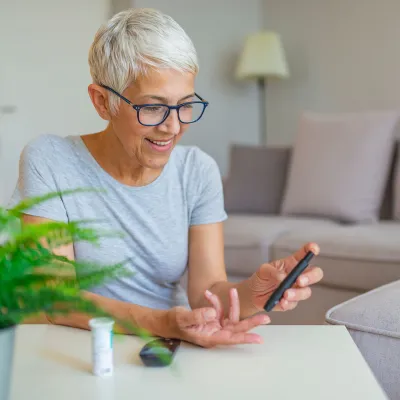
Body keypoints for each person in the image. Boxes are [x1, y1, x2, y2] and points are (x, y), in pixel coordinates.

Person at [8, 8, 323, 348]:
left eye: (185, 105)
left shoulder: (197, 171)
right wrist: (162, 322)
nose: (172, 127)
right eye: (153, 107)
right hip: (75, 349)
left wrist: (252, 294)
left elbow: (209, 295)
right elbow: (54, 298)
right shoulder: (51, 160)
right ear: (102, 102)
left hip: (165, 350)